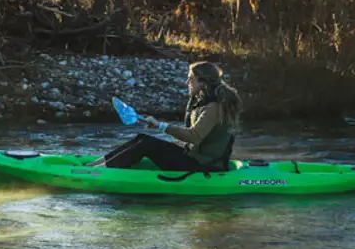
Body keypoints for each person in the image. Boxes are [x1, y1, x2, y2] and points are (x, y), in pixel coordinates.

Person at [87, 61, 242, 171]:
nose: (187, 81)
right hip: (194, 157)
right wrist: (158, 125)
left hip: (205, 164)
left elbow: (194, 136)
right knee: (142, 138)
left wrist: (161, 126)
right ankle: (95, 166)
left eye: (191, 78)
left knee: (146, 144)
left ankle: (97, 173)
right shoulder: (203, 102)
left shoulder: (214, 107)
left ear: (203, 83)